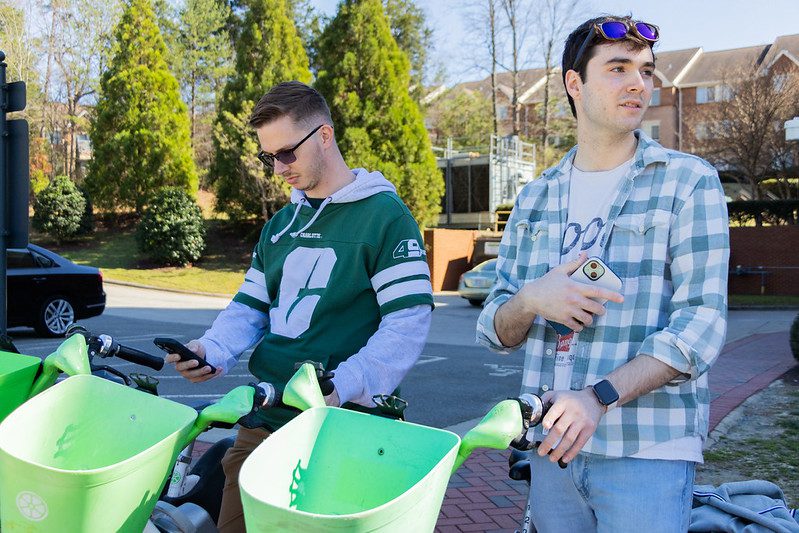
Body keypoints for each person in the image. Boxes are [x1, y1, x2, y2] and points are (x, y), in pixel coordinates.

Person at [477, 16, 729, 531]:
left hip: (647, 449)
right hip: (551, 448)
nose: (638, 83)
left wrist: (597, 398)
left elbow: (701, 325)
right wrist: (531, 299)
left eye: (646, 70)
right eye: (618, 68)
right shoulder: (535, 197)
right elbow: (494, 329)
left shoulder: (688, 181)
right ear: (575, 83)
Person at [166, 81, 434, 532]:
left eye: (287, 153)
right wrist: (210, 350)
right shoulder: (279, 225)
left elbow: (407, 323)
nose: (278, 168)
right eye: (269, 157)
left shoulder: (386, 217)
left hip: (349, 427)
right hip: (265, 422)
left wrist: (340, 385)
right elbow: (250, 308)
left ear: (325, 135)